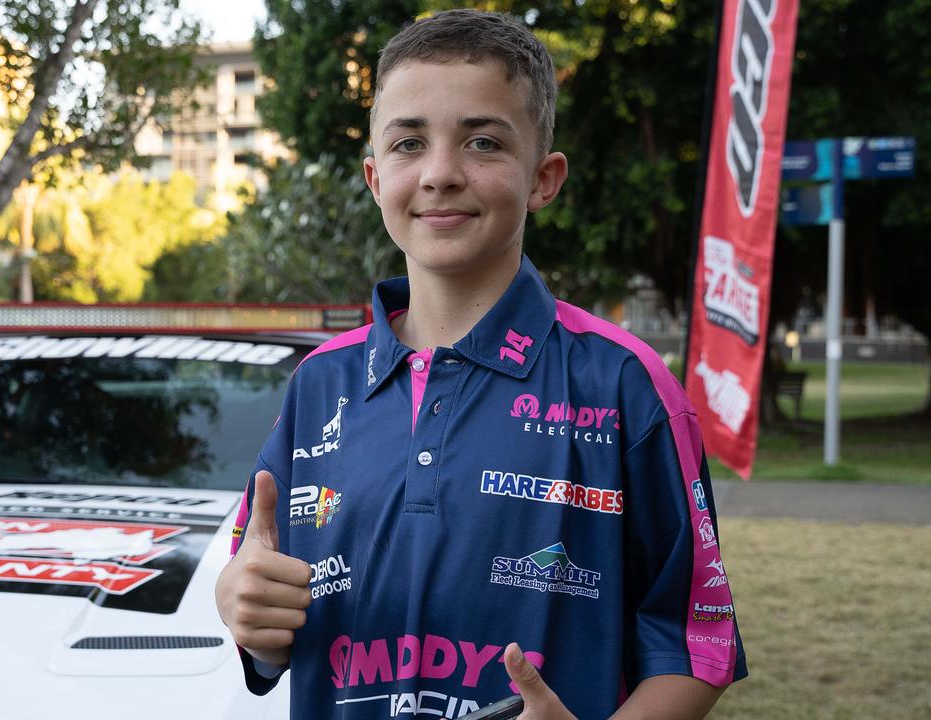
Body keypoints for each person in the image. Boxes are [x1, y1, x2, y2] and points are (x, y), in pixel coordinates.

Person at [215, 9, 745, 720]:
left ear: (543, 178)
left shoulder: (623, 383)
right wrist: (244, 608)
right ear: (375, 178)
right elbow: (258, 594)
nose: (440, 174)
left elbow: (697, 642)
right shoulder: (319, 383)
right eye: (409, 143)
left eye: (484, 142)